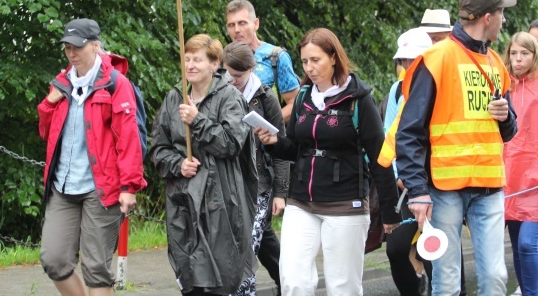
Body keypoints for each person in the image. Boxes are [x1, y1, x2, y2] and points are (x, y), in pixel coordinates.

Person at [256, 28, 401, 296]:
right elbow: (297, 149)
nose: (309, 68)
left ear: (334, 57)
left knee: (343, 287)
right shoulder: (302, 97)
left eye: (316, 60)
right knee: (293, 282)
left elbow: (381, 158)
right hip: (301, 202)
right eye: (304, 62)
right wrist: (274, 142)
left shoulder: (359, 100)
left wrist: (391, 213)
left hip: (346, 203)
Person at [395, 0, 518, 296]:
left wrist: (507, 118)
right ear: (488, 17)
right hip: (444, 189)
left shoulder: (496, 64)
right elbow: (409, 132)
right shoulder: (436, 59)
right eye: (502, 13)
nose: (504, 21)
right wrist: (418, 191)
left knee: (494, 278)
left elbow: (508, 131)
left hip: (489, 186)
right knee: (447, 282)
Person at [37, 18, 147, 296]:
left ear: (96, 46)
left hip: (102, 189)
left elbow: (129, 138)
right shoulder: (61, 83)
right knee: (54, 260)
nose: (72, 53)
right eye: (67, 48)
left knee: (96, 268)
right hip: (63, 186)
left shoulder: (115, 84)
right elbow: (46, 133)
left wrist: (129, 186)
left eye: (78, 47)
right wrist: (49, 104)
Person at [150, 34, 258, 296]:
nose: (190, 65)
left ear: (214, 64)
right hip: (184, 202)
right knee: (190, 280)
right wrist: (178, 164)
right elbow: (157, 148)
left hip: (222, 202)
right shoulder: (174, 98)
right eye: (186, 59)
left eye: (197, 59)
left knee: (220, 281)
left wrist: (197, 120)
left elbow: (231, 143)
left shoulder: (229, 97)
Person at [222, 42, 289, 296]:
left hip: (260, 183)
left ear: (251, 69)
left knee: (248, 247)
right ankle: (290, 280)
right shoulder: (220, 92)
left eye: (238, 76)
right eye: (227, 74)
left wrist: (281, 193)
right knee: (261, 240)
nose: (232, 81)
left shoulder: (266, 98)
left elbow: (282, 149)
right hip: (229, 182)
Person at [382, 28, 433, 296]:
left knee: (436, 250)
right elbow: (388, 136)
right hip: (406, 186)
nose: (407, 66)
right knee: (396, 249)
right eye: (403, 60)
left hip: (439, 185)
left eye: (413, 60)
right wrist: (399, 176)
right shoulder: (396, 90)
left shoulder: (440, 85)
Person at [503, 32, 538, 296]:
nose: (518, 59)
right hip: (509, 177)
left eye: (524, 53)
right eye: (514, 53)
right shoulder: (504, 85)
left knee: (528, 244)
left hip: (535, 181)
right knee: (516, 245)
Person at [225, 0, 300, 123]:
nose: (237, 29)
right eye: (231, 25)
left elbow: (294, 104)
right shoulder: (224, 60)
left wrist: (264, 125)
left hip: (267, 138)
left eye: (242, 23)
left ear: (256, 24)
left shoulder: (275, 57)